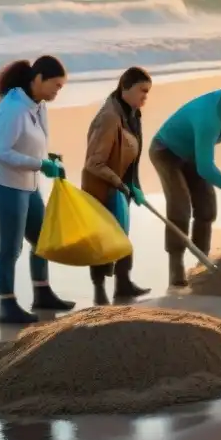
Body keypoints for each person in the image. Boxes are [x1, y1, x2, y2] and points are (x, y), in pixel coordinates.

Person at [0, 56, 74, 325]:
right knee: (11, 248)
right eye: (55, 85)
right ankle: (7, 306)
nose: (58, 91)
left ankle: (42, 293)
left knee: (43, 240)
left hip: (29, 184)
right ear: (38, 79)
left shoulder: (38, 105)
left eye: (61, 87)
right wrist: (39, 163)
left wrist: (49, 156)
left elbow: (32, 141)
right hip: (5, 185)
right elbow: (0, 152)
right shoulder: (11, 109)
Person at [150, 75, 221, 287]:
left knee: (207, 208)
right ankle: (176, 266)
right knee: (180, 208)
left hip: (192, 153)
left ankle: (201, 262)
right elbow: (205, 167)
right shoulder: (209, 115)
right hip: (166, 151)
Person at [82, 67, 152, 305]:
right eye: (142, 91)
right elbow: (94, 162)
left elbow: (134, 157)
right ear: (125, 87)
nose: (145, 96)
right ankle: (100, 291)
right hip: (102, 186)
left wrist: (135, 185)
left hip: (121, 184)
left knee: (123, 235)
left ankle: (123, 284)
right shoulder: (109, 117)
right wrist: (119, 183)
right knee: (104, 240)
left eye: (148, 92)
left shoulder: (133, 114)